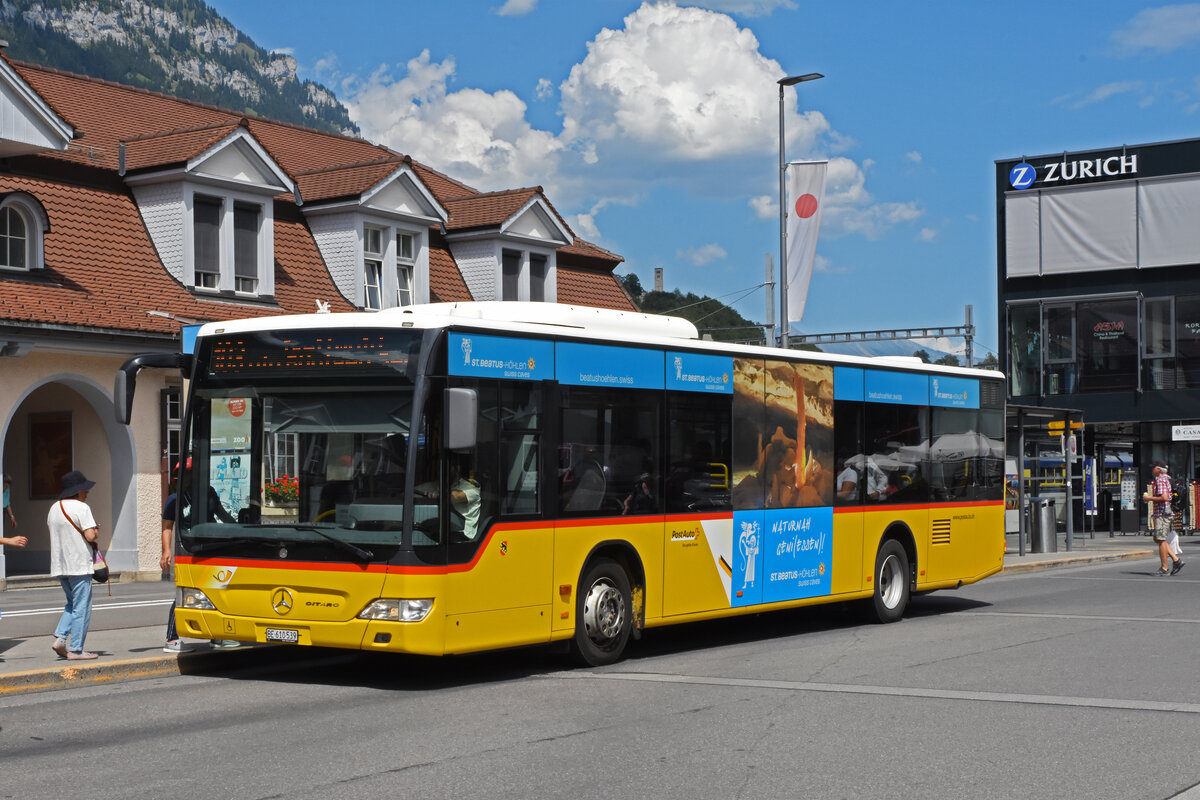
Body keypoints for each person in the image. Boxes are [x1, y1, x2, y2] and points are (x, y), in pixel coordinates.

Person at [162, 462, 239, 653]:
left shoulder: (209, 492)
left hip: (212, 547)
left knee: (215, 590)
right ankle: (172, 639)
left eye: (192, 472)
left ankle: (218, 637)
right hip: (190, 549)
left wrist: (238, 529)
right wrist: (166, 551)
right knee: (187, 593)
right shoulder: (175, 499)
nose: (189, 477)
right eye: (185, 474)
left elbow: (221, 514)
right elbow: (167, 527)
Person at [47, 470, 101, 660]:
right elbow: (90, 536)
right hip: (78, 565)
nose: (86, 493)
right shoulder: (81, 508)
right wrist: (96, 530)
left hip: (60, 565)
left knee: (72, 604)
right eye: (85, 490)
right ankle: (76, 649)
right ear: (78, 491)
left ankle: (60, 639)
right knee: (82, 607)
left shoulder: (54, 508)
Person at [1143, 462, 1184, 576]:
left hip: (1162, 513)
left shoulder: (1160, 480)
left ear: (1158, 469)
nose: (1152, 470)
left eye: (1153, 468)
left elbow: (1164, 497)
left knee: (1160, 540)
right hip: (1168, 512)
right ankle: (1176, 560)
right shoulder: (1168, 478)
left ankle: (1164, 568)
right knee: (1158, 538)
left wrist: (1148, 498)